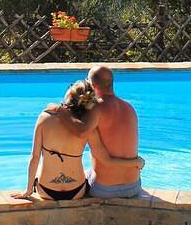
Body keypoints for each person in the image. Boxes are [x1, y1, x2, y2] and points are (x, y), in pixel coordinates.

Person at [13, 79, 143, 200]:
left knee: (42, 165)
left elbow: (34, 157)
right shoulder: (87, 127)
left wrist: (28, 190)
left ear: (69, 95)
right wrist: (135, 162)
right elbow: (106, 160)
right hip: (76, 191)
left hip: (47, 190)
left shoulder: (45, 118)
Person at [55, 65, 142, 199]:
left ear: (91, 84)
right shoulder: (129, 108)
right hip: (133, 186)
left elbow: (81, 132)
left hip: (105, 189)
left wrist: (59, 110)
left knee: (75, 179)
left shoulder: (96, 108)